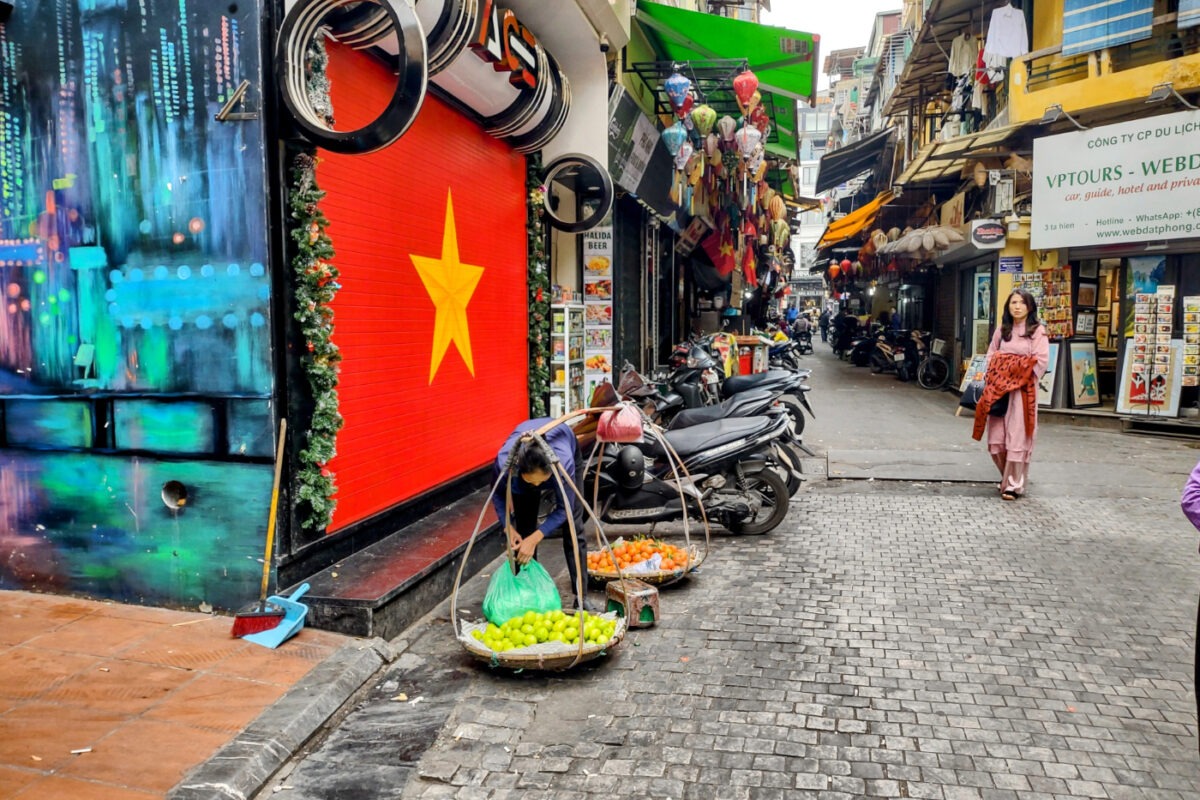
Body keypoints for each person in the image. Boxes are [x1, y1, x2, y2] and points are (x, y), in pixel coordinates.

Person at [492, 419, 594, 611]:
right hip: (522, 477)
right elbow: (497, 494)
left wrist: (537, 538)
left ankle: (581, 596)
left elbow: (564, 510)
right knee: (524, 529)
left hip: (563, 449)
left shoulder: (564, 464)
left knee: (574, 527)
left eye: (542, 482)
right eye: (534, 482)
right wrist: (508, 527)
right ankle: (529, 592)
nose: (538, 487)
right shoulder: (505, 464)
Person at [973, 289, 1049, 501]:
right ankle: (1007, 477)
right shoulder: (1002, 330)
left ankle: (1013, 486)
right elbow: (991, 355)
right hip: (999, 391)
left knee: (1017, 438)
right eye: (1013, 302)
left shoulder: (1037, 331)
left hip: (1022, 393)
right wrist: (1005, 366)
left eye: (1021, 303)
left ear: (1030, 307)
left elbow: (1040, 361)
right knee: (996, 440)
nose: (1017, 306)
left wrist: (1012, 367)